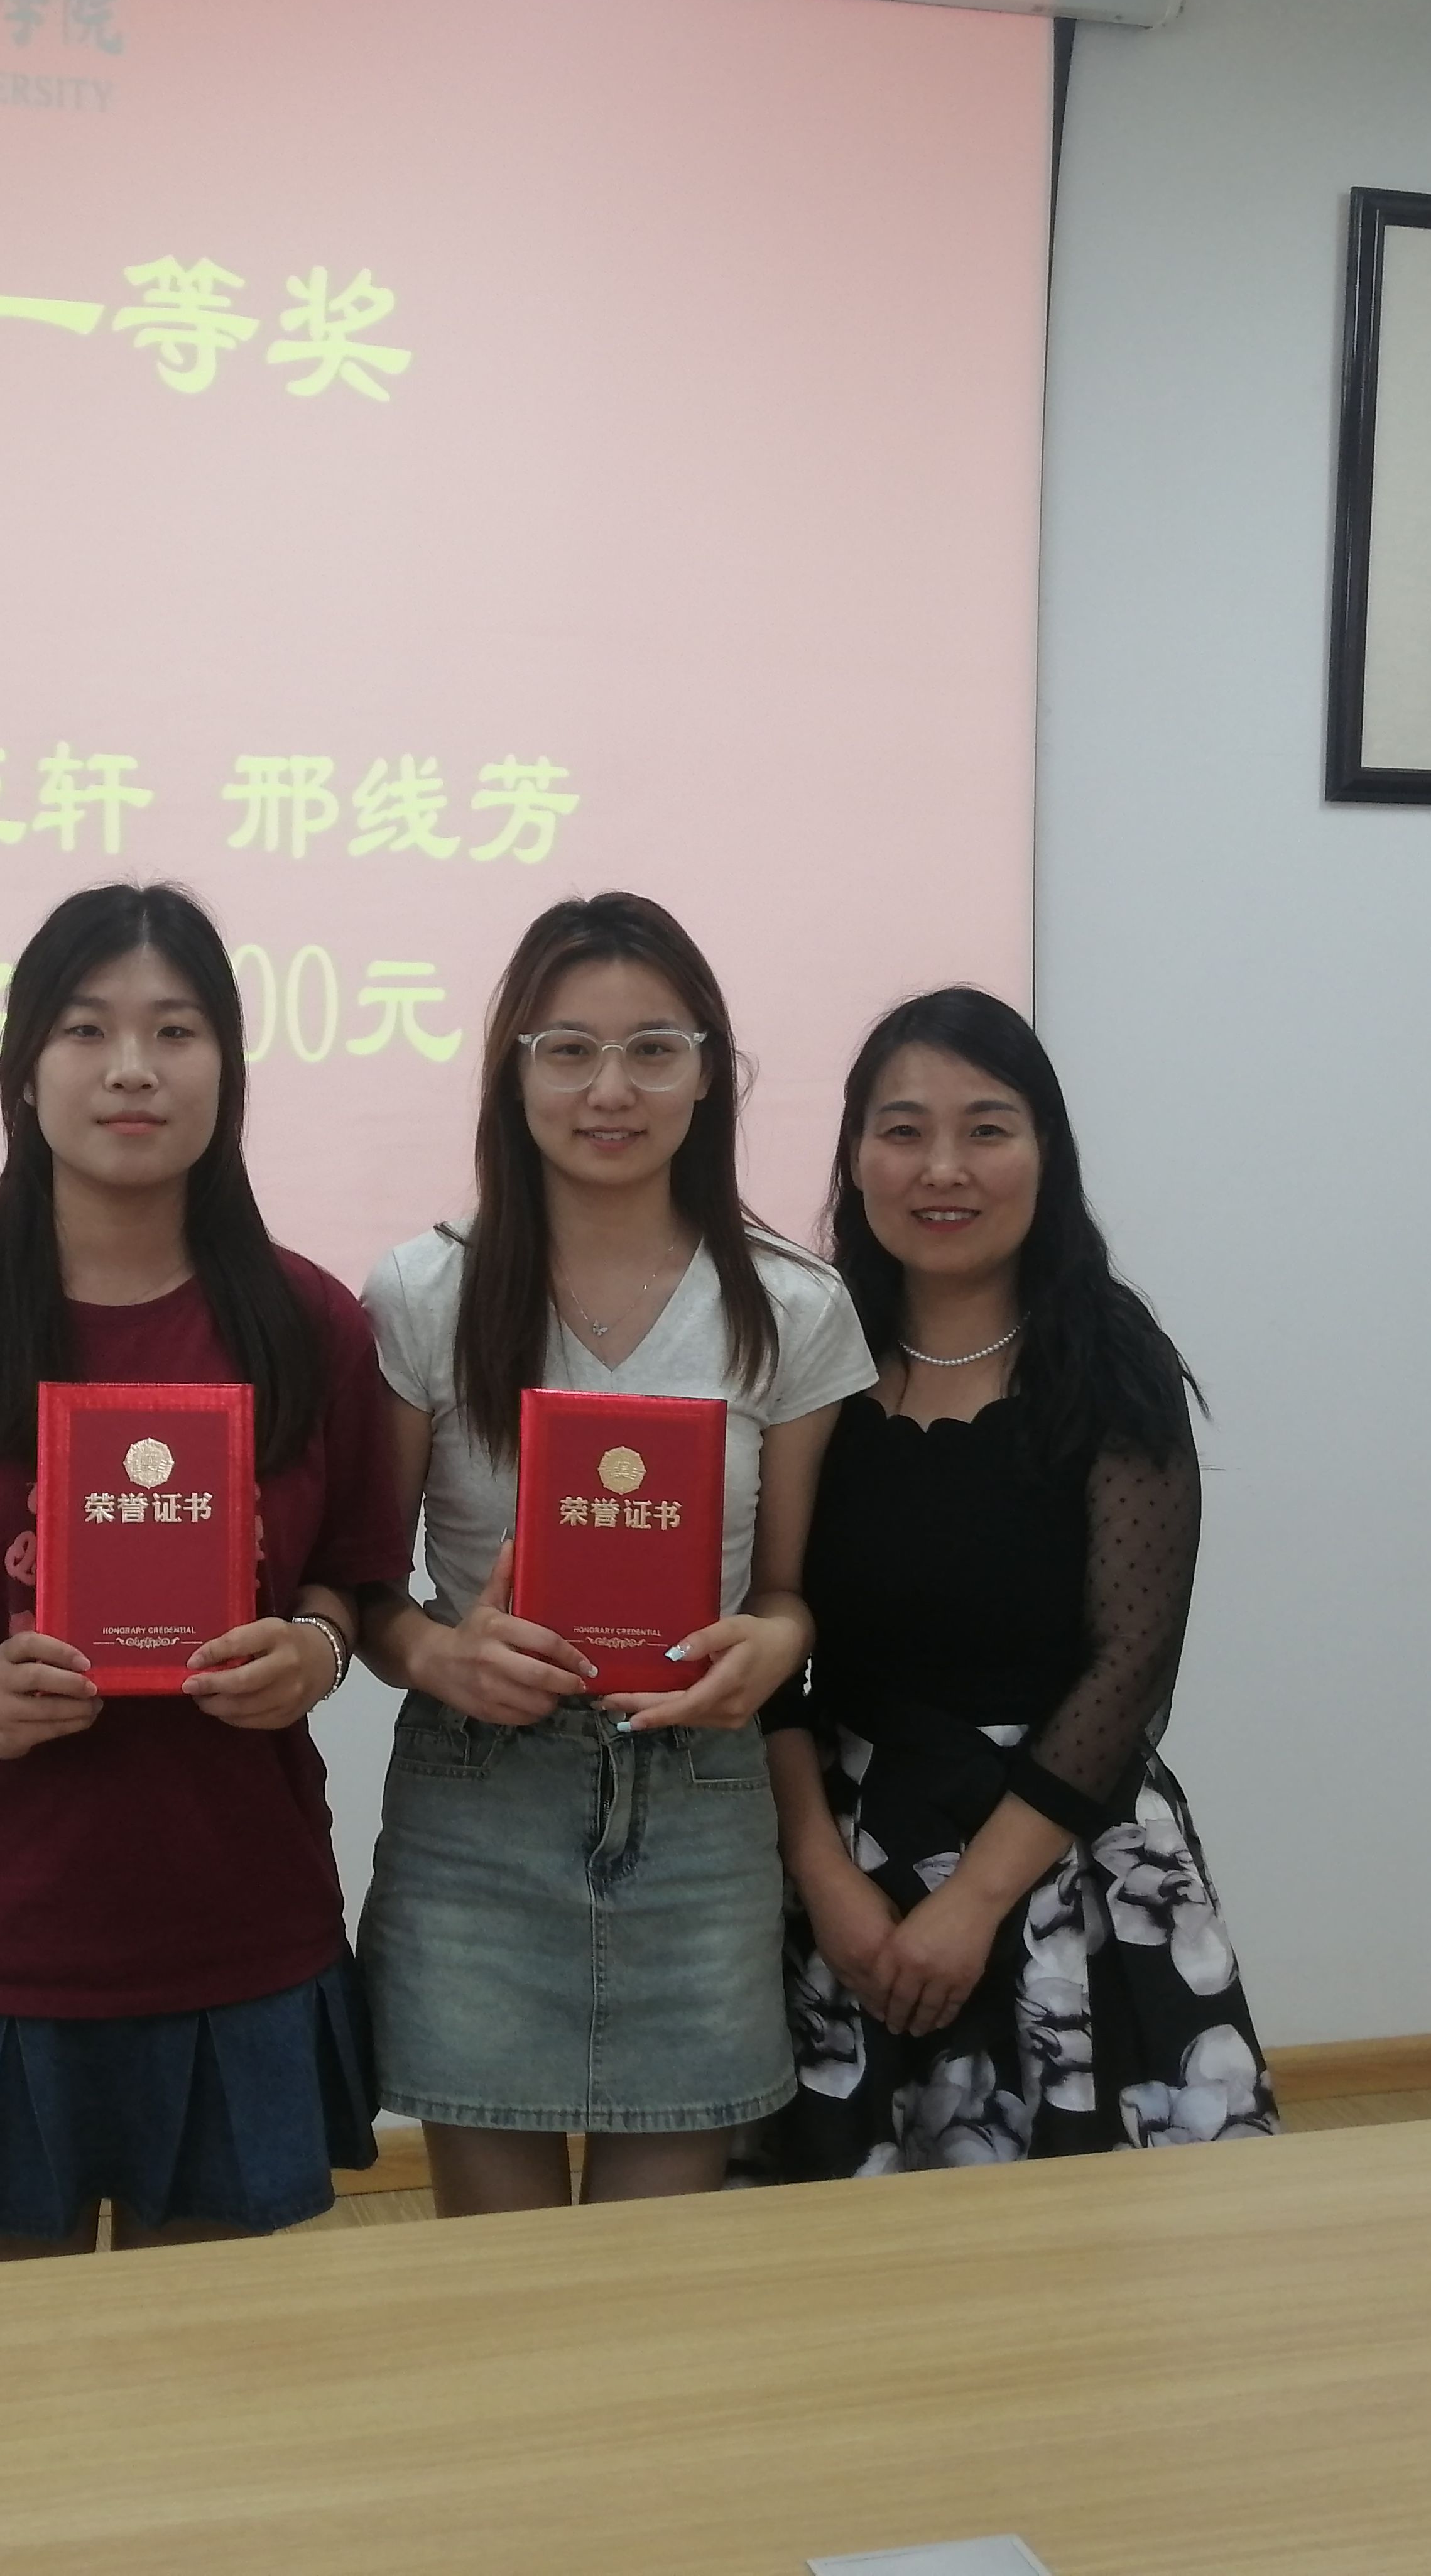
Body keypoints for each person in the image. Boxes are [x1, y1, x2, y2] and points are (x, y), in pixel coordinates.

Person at [0, 882, 406, 2263]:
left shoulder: (309, 1323)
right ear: (23, 1066)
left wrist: (312, 1652)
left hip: (234, 1910)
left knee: (215, 2366)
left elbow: (348, 1583)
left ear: (227, 1068)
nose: (132, 1068)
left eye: (175, 1031)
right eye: (85, 1029)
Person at [352, 893, 877, 2214]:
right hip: (479, 1803)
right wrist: (440, 1656)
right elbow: (362, 1594)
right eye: (568, 1050)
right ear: (511, 1072)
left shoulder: (794, 1305)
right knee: (500, 2271)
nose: (610, 1089)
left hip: (697, 1804)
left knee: (660, 2278)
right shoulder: (421, 1293)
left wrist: (775, 1646)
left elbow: (787, 1597)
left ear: (707, 1073)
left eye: (653, 1049)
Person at [763, 987, 1275, 2176]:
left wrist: (976, 1900)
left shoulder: (1109, 1359)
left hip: (1067, 1863)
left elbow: (1130, 1662)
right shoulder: (807, 1354)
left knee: (1099, 2245)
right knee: (837, 2246)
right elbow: (764, 1627)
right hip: (849, 1861)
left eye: (987, 1128)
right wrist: (822, 1875)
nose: (942, 1168)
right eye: (903, 1131)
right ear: (855, 1157)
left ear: (1047, 1151)